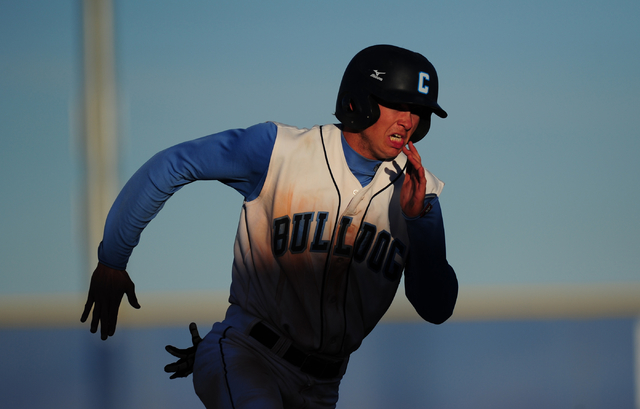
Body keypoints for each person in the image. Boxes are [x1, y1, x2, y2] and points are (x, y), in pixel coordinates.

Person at [81, 44, 459, 409]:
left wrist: (417, 220)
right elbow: (174, 163)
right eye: (398, 104)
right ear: (358, 100)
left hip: (324, 388)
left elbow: (435, 307)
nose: (408, 121)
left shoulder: (419, 195)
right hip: (249, 355)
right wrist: (113, 260)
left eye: (418, 111)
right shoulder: (279, 150)